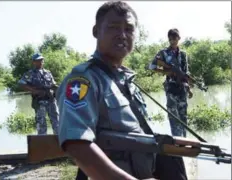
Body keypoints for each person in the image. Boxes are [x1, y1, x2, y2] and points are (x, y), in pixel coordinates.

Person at [57, 1, 188, 180]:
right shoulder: (84, 80)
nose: (122, 35)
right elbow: (77, 144)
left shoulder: (127, 80)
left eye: (129, 29)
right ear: (96, 31)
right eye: (113, 27)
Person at [148, 29, 193, 137]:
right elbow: (151, 66)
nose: (172, 41)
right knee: (174, 118)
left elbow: (185, 72)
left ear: (179, 38)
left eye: (175, 39)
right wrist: (166, 71)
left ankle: (184, 142)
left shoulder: (183, 54)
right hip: (171, 89)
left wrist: (189, 88)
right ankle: (177, 143)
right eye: (170, 39)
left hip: (182, 89)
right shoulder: (163, 53)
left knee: (183, 118)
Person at [18, 53, 59, 135]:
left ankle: (58, 143)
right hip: (40, 102)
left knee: (57, 122)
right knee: (41, 124)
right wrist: (34, 90)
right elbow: (21, 83)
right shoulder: (30, 73)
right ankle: (42, 145)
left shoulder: (48, 72)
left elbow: (53, 85)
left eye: (41, 60)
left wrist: (59, 89)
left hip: (51, 100)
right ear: (33, 62)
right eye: (37, 61)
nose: (40, 62)